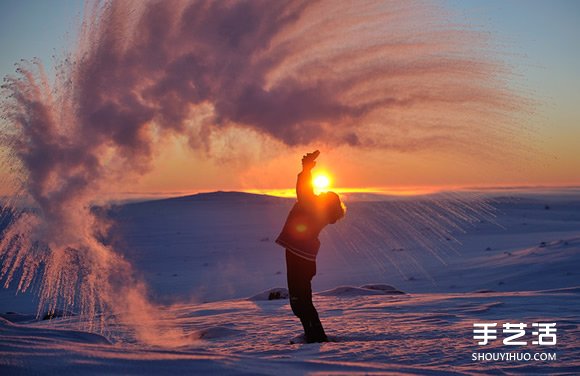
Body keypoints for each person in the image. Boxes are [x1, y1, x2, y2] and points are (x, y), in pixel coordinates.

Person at [275, 150, 346, 343]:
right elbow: (307, 193)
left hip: (300, 258)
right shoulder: (316, 209)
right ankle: (314, 335)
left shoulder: (312, 208)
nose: (319, 192)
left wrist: (306, 170)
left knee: (300, 302)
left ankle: (316, 337)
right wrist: (306, 170)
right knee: (301, 301)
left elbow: (304, 191)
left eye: (323, 194)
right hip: (303, 258)